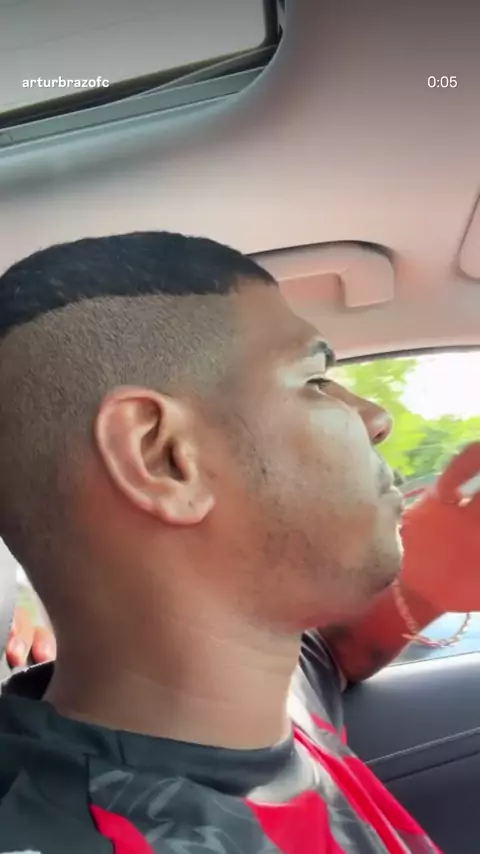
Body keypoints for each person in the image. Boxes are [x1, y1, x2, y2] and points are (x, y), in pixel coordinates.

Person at [0, 232, 478, 854]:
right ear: (162, 457)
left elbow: (335, 655)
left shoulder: (255, 689)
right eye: (315, 381)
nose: (375, 418)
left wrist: (431, 578)